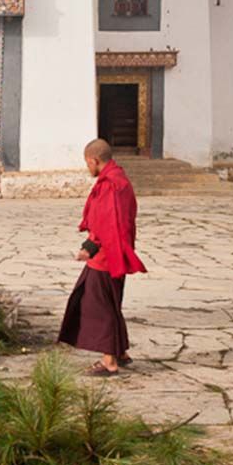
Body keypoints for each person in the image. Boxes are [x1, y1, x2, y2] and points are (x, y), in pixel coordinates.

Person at [58, 138, 146, 375]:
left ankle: (109, 361)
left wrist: (90, 246)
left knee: (98, 306)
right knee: (111, 302)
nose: (88, 168)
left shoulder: (110, 185)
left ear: (93, 160)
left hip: (107, 257)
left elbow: (107, 223)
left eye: (88, 164)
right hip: (117, 252)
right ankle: (120, 351)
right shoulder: (120, 180)